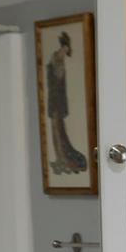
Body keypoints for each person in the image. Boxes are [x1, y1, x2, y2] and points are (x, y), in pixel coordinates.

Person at [45, 29, 90, 174]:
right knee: (56, 130)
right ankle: (61, 158)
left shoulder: (59, 58)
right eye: (66, 49)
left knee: (59, 130)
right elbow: (56, 78)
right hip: (56, 100)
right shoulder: (57, 57)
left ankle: (63, 157)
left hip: (57, 100)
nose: (67, 52)